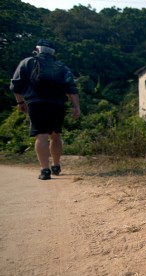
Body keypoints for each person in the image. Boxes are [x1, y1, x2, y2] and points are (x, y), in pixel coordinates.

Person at [10, 39, 81, 180]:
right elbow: (71, 88)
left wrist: (20, 102)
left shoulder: (28, 62)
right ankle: (56, 165)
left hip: (36, 103)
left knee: (41, 135)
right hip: (58, 104)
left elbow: (15, 85)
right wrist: (76, 107)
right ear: (54, 53)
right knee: (56, 135)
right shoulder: (62, 67)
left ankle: (45, 170)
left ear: (37, 50)